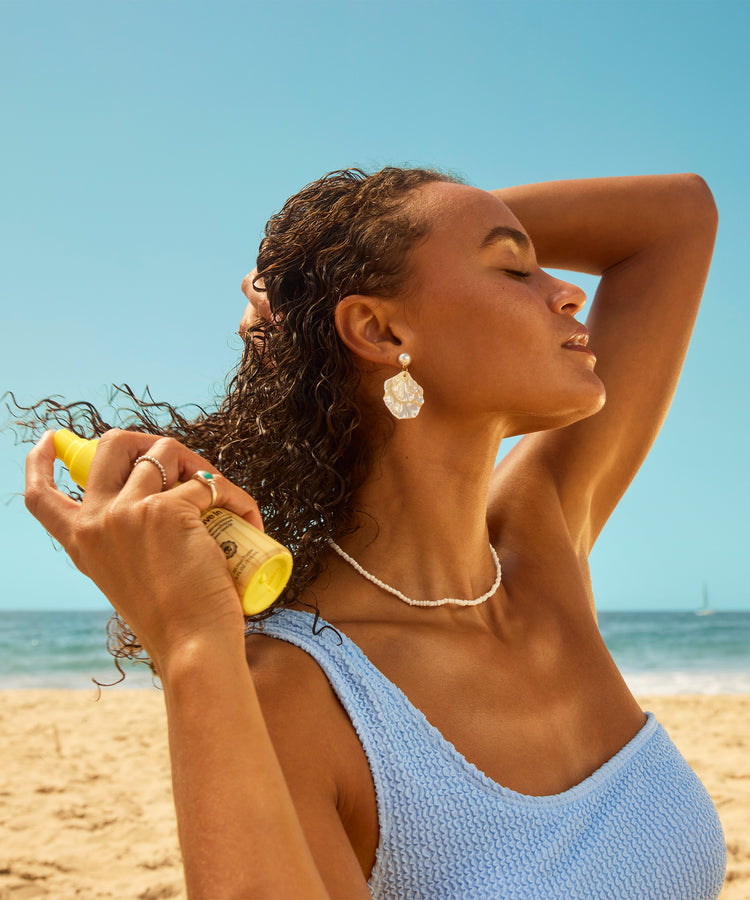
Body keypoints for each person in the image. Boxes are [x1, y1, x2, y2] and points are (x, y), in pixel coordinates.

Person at [23, 168, 726, 899]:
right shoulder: (297, 692)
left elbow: (676, 218)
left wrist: (320, 268)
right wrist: (194, 644)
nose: (566, 290)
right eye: (515, 268)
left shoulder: (537, 541)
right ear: (381, 329)